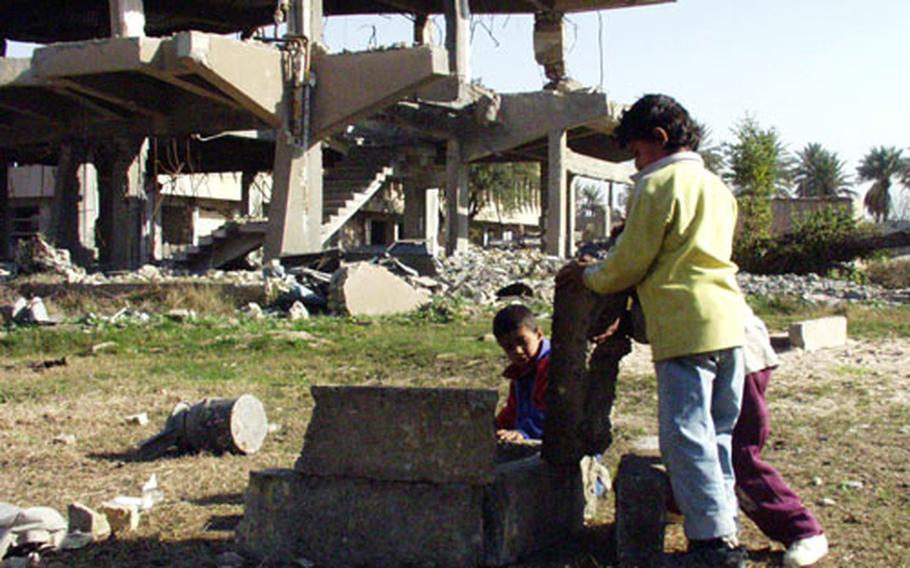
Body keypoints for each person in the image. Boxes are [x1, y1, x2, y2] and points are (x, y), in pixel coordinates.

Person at [557, 94, 747, 567]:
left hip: (685, 326)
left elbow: (630, 263)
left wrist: (589, 275)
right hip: (729, 321)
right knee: (719, 434)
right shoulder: (717, 187)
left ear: (658, 141)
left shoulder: (659, 183)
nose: (636, 164)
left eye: (637, 152)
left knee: (686, 437)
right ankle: (726, 533)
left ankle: (709, 548)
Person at [737, 306, 828, 567]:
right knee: (692, 442)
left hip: (737, 354)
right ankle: (678, 504)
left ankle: (802, 530)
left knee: (738, 452)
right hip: (704, 351)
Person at [492, 304, 550, 443]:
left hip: (560, 446)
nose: (517, 351)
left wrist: (523, 433)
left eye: (522, 342)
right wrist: (495, 428)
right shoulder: (521, 371)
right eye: (509, 347)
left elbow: (553, 416)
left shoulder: (553, 366)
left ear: (539, 334)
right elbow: (514, 411)